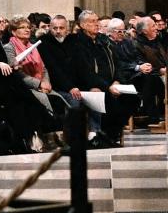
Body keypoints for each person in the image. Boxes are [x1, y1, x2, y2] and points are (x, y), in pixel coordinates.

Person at [47, 8, 131, 147]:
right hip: (91, 85)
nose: (97, 24)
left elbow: (116, 62)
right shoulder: (76, 42)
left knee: (132, 99)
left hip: (111, 83)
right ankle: (101, 136)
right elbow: (85, 71)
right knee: (108, 101)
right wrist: (107, 87)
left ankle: (110, 135)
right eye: (92, 21)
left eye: (97, 20)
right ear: (83, 25)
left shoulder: (103, 40)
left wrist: (117, 80)